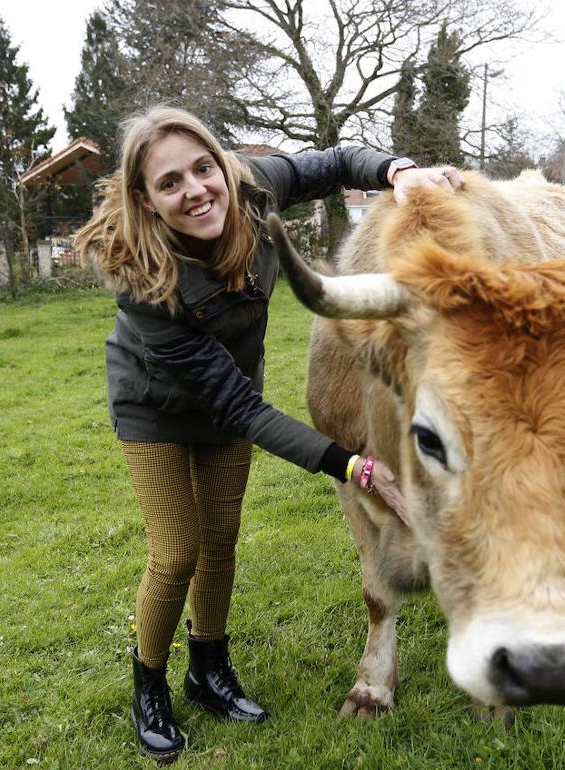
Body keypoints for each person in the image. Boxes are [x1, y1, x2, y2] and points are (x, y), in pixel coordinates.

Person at [72, 106, 462, 764]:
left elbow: (336, 163)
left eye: (204, 168)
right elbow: (242, 409)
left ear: (222, 166)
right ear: (146, 199)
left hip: (230, 397)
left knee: (221, 539)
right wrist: (353, 465)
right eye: (171, 183)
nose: (196, 190)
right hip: (156, 411)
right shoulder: (144, 281)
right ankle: (150, 686)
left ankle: (208, 670)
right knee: (177, 552)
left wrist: (395, 169)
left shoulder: (251, 188)